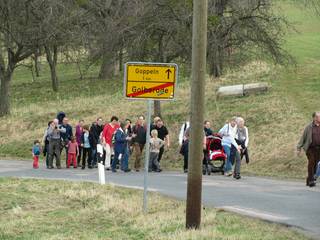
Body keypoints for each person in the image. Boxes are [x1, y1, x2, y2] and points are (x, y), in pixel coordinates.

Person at [297, 112, 320, 187]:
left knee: (317, 166)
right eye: (318, 117)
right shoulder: (309, 127)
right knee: (311, 163)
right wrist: (299, 148)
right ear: (314, 118)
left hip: (319, 149)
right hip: (310, 149)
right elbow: (303, 138)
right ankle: (311, 181)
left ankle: (309, 179)